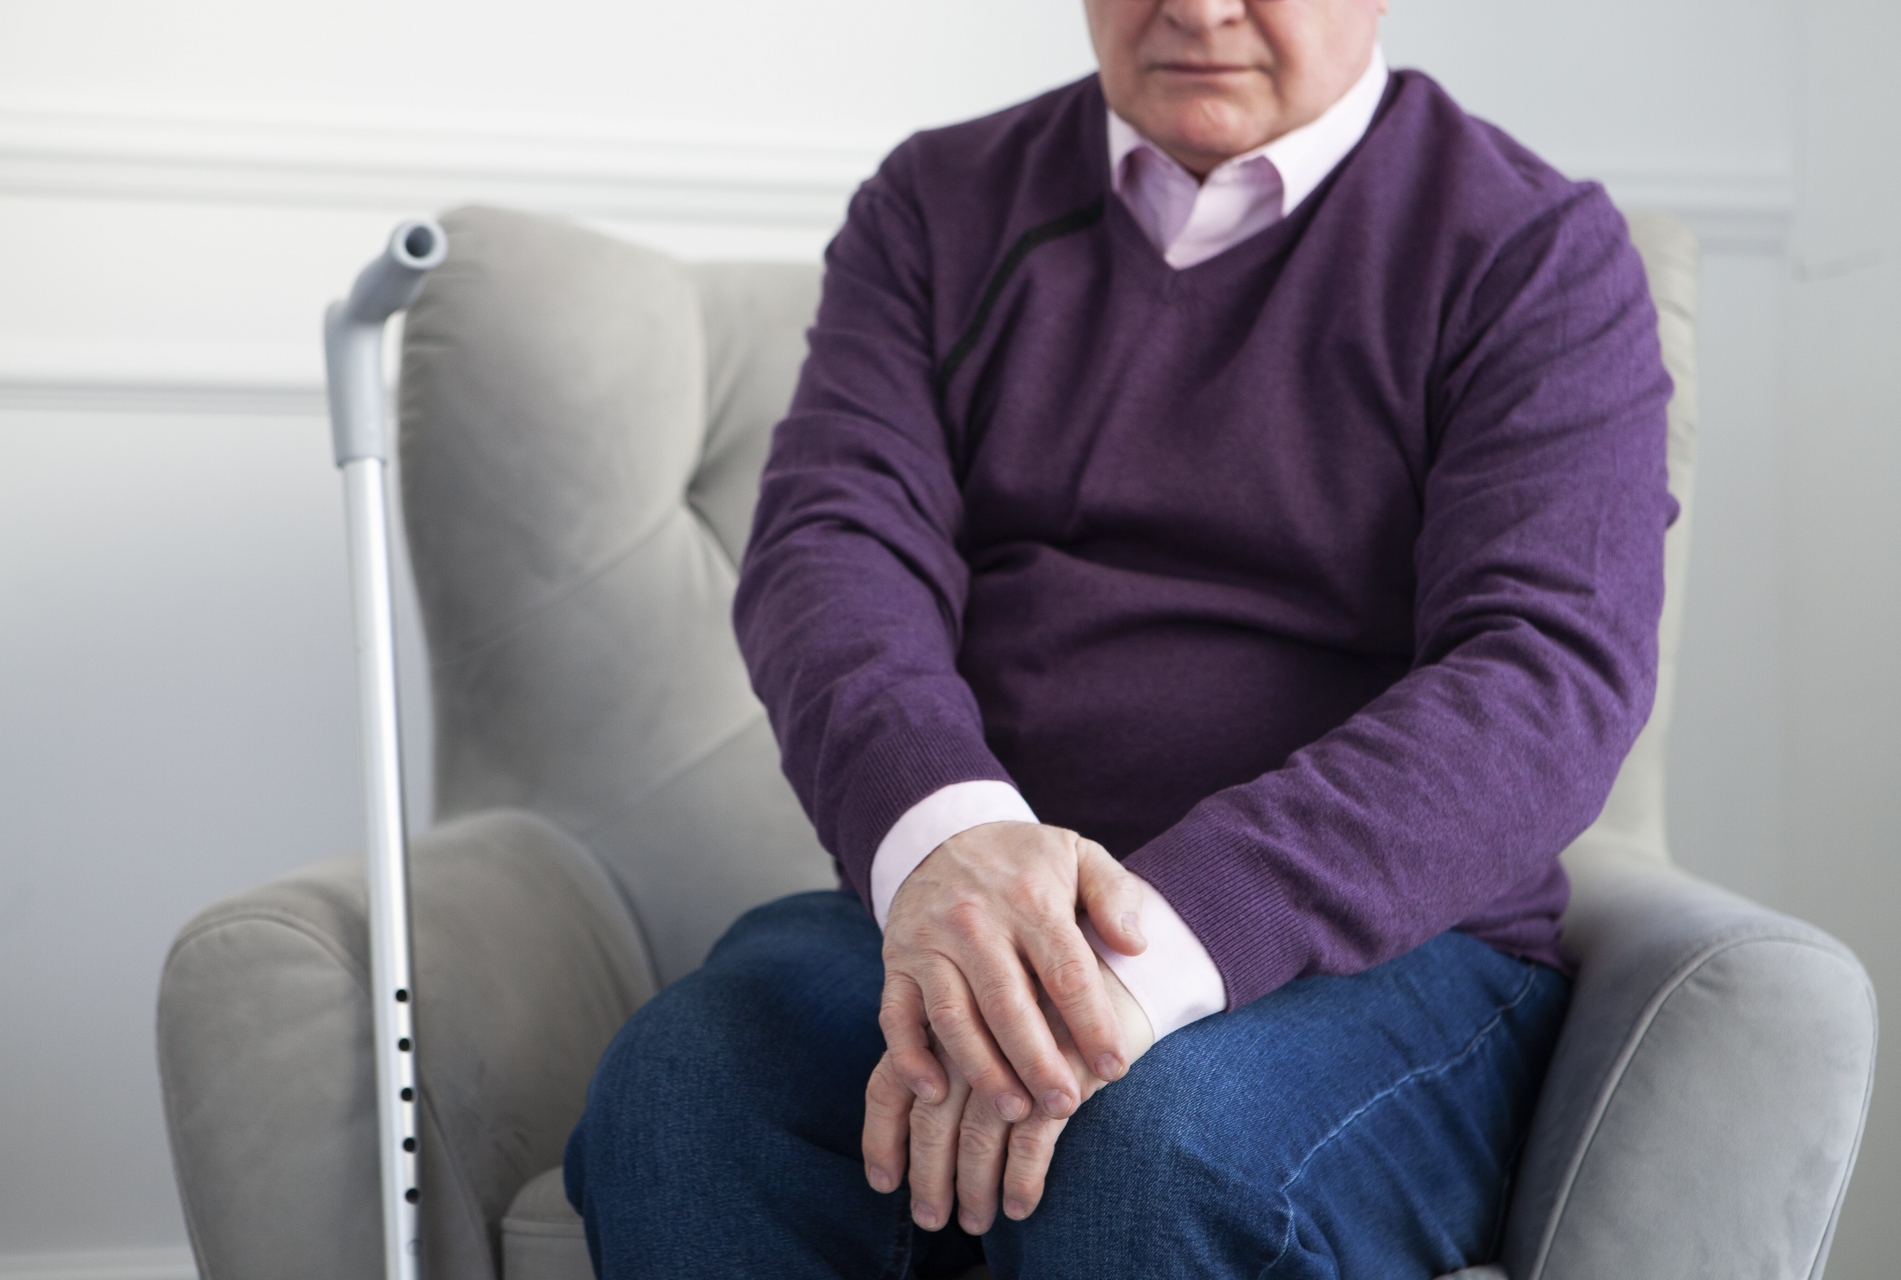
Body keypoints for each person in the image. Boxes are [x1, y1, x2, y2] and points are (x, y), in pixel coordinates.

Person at [564, 0, 1674, 1274]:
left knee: (1149, 1154)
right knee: (683, 1092)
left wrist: (1151, 948)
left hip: (1380, 954)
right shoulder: (934, 204)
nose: (1197, 8)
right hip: (976, 895)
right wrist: (954, 842)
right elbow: (834, 544)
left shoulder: (1534, 249)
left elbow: (1545, 672)